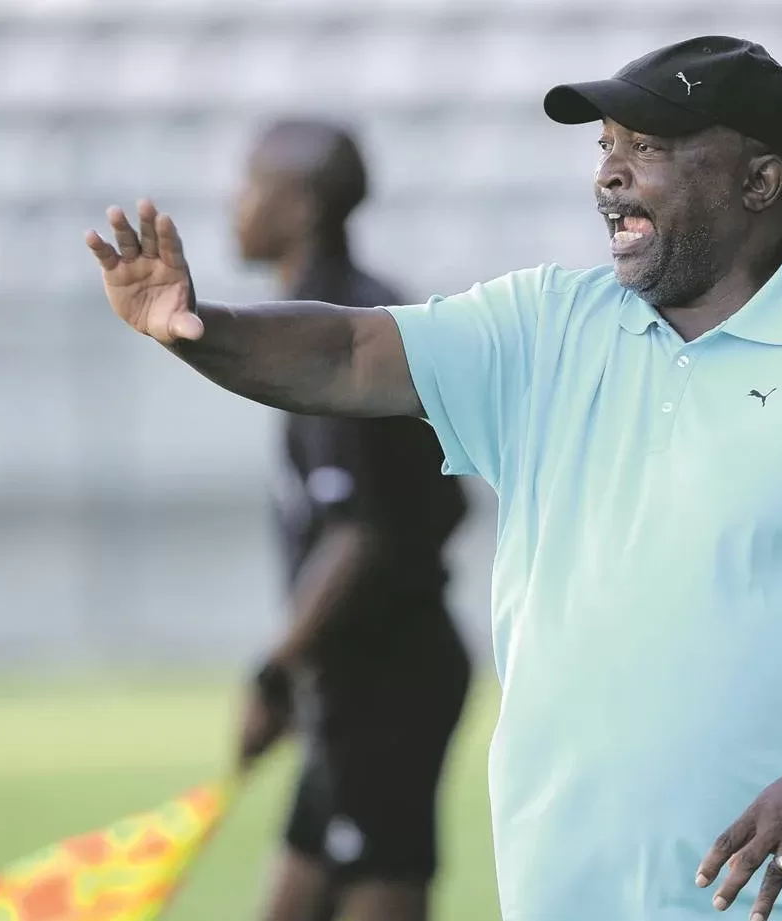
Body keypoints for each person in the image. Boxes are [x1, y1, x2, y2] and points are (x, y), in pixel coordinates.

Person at [85, 36, 782, 921]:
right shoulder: (544, 326)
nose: (610, 173)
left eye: (648, 146)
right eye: (606, 144)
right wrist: (198, 326)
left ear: (760, 180)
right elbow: (345, 352)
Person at [227, 119, 472, 921]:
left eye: (252, 182)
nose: (236, 202)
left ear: (300, 207)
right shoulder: (359, 311)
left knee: (378, 886)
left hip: (389, 681)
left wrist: (274, 671)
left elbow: (360, 534)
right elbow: (446, 501)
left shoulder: (344, 335)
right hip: (355, 674)